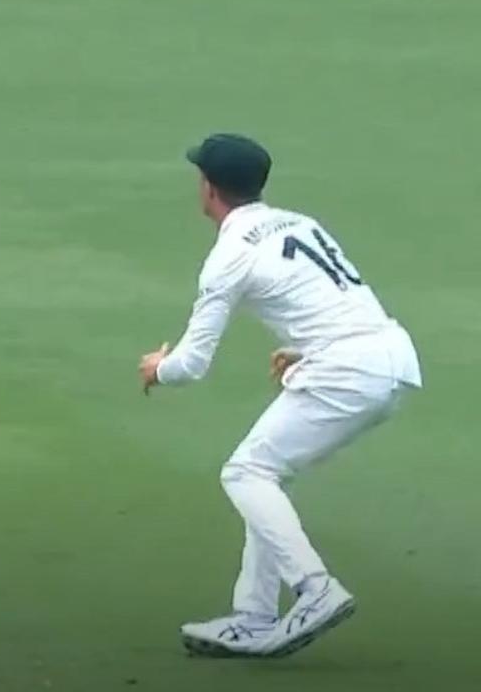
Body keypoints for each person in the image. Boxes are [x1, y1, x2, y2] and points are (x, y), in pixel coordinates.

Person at [137, 134, 422, 658]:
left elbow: (192, 365)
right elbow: (336, 299)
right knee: (266, 474)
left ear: (208, 188)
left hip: (345, 369)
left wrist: (159, 367)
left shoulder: (229, 255)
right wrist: (303, 348)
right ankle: (253, 616)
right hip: (390, 359)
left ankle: (314, 590)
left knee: (245, 473)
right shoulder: (300, 222)